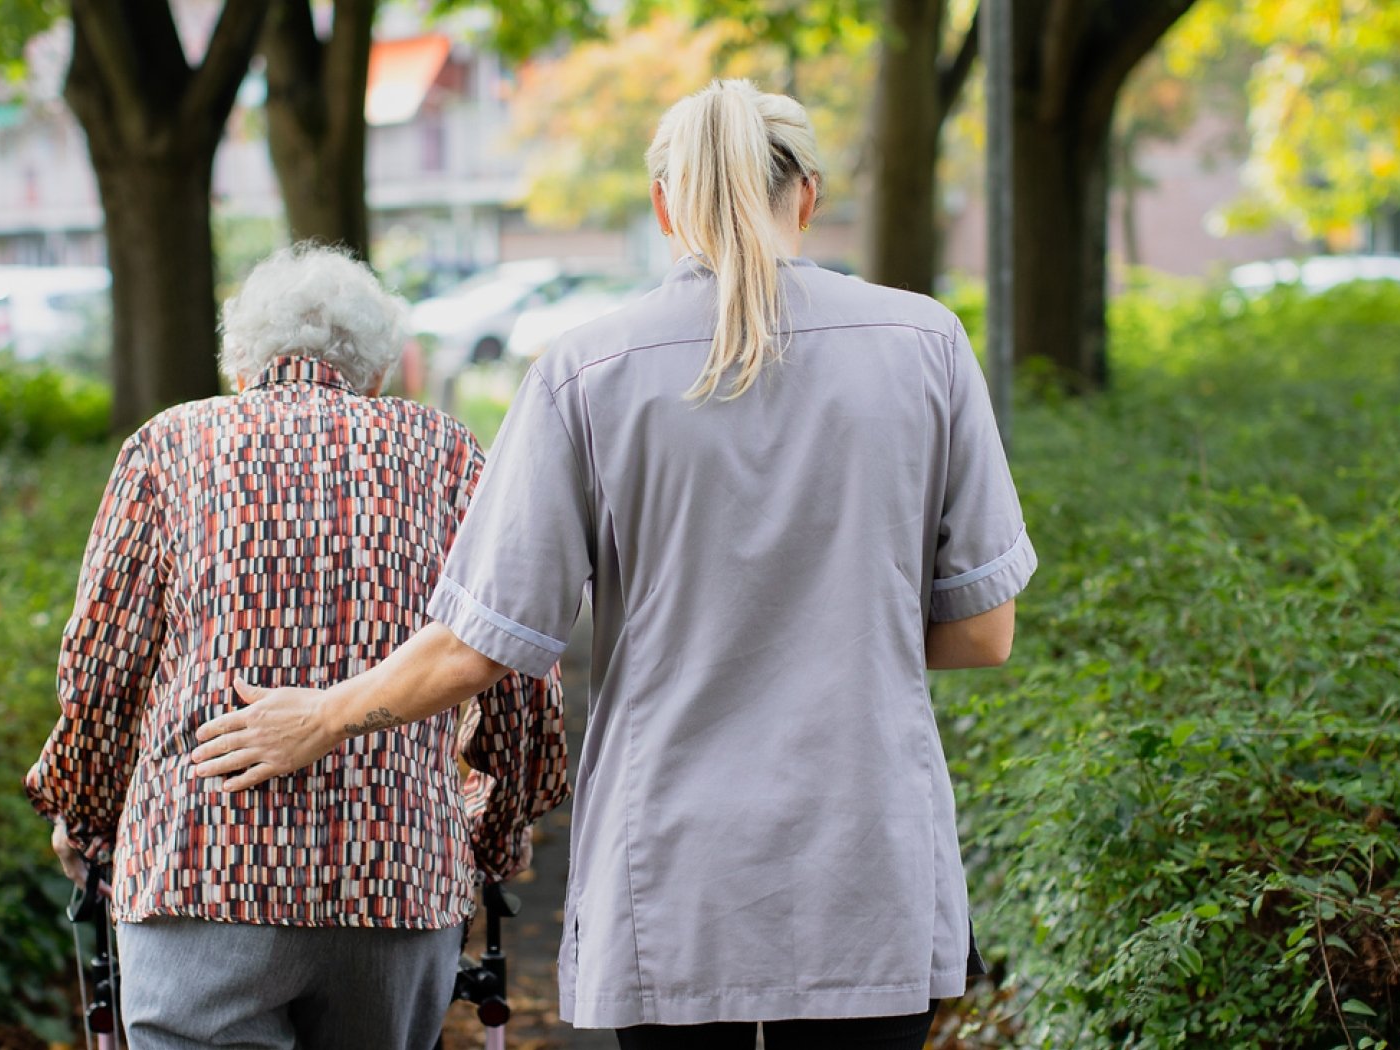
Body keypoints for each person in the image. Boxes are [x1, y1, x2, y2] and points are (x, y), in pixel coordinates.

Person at [190, 80, 1034, 1050]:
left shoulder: (585, 368)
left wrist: (320, 714)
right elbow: (981, 632)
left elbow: (482, 643)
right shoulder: (925, 345)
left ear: (663, 204)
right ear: (805, 193)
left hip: (672, 863)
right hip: (865, 856)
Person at [25, 246, 569, 1050]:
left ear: (237, 364)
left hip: (197, 868)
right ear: (379, 371)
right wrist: (496, 826)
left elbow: (104, 665)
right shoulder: (447, 454)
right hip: (395, 871)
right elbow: (515, 668)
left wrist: (86, 815)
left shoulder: (170, 447)